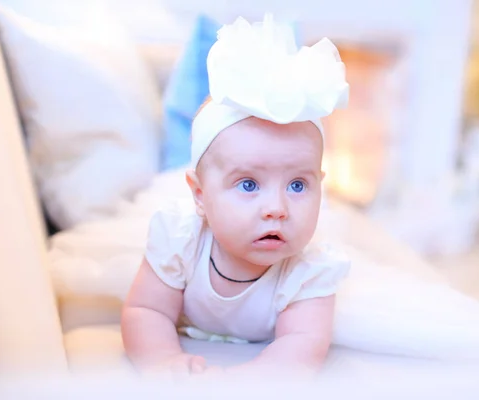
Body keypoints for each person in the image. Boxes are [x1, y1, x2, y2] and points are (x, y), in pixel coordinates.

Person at [121, 13, 350, 378]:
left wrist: (246, 380)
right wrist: (162, 360)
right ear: (199, 196)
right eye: (248, 185)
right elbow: (146, 311)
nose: (276, 209)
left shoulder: (308, 271)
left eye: (297, 185)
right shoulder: (181, 240)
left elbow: (302, 345)